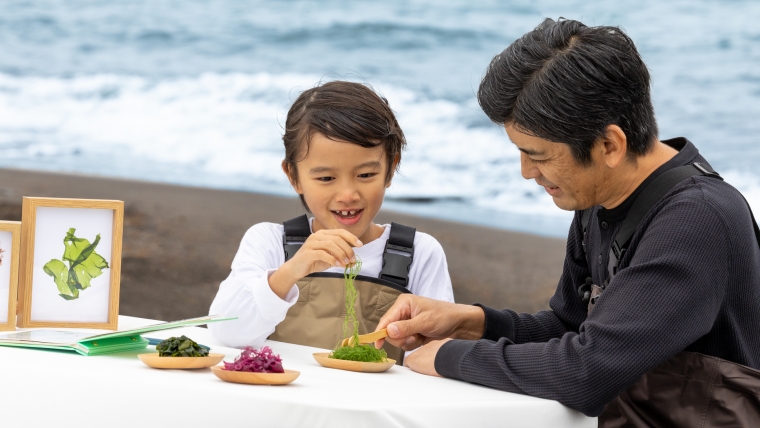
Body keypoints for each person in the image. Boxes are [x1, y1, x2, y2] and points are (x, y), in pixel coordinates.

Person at [374, 18, 760, 425]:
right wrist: (470, 322)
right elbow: (571, 328)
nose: (526, 171)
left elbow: (587, 372)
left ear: (609, 145)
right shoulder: (598, 195)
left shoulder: (698, 219)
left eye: (538, 155)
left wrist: (450, 356)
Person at [209, 81, 454, 362]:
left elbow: (436, 354)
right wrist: (290, 272)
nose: (348, 195)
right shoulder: (269, 242)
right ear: (293, 176)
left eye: (365, 175)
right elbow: (226, 331)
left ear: (390, 169)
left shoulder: (419, 252)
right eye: (326, 178)